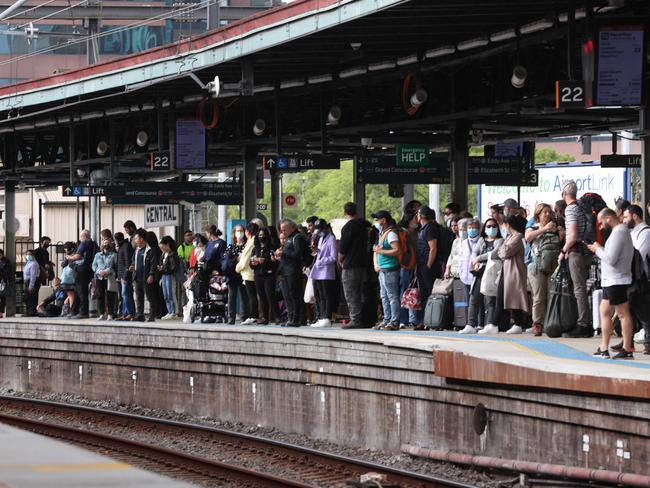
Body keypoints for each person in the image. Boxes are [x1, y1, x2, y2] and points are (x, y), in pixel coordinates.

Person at [587, 208, 635, 359]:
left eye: (601, 223)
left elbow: (611, 258)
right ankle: (604, 347)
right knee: (605, 311)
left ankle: (627, 348)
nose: (600, 227)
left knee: (622, 313)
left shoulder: (619, 231)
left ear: (608, 218)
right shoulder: (619, 231)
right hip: (612, 280)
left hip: (617, 280)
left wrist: (597, 249)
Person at [481, 215, 529, 335]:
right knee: (506, 297)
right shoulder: (510, 237)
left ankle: (496, 324)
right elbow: (500, 251)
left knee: (510, 297)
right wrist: (502, 250)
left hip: (514, 271)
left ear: (509, 224)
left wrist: (502, 251)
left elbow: (504, 252)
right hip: (507, 271)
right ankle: (511, 324)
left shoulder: (517, 237)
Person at [558, 180, 592, 337]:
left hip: (576, 252)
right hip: (585, 252)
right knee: (581, 288)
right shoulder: (581, 207)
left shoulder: (571, 209)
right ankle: (583, 321)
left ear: (564, 194)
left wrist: (563, 250)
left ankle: (583, 324)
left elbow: (573, 236)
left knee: (579, 289)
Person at [459, 219, 503, 334]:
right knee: (474, 298)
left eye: (493, 226)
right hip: (479, 271)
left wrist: (478, 258)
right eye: (488, 226)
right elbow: (474, 252)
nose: (491, 228)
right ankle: (470, 324)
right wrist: (475, 261)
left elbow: (494, 253)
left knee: (490, 299)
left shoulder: (500, 240)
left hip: (491, 271)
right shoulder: (481, 240)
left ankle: (490, 324)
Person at [525, 203, 562, 336]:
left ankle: (550, 322)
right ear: (538, 214)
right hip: (536, 265)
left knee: (551, 294)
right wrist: (544, 229)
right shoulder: (532, 227)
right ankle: (537, 323)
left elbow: (562, 241)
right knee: (539, 296)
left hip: (553, 265)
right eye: (544, 212)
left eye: (549, 212)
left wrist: (560, 232)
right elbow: (528, 237)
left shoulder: (556, 226)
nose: (547, 214)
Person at [621, 205, 650, 355]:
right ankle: (628, 341)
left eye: (626, 217)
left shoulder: (646, 233)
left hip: (643, 279)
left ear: (634, 216)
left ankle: (647, 343)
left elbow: (639, 253)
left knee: (643, 311)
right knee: (631, 309)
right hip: (634, 278)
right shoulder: (632, 233)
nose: (624, 221)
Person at [338, 202, 369, 329]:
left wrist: (340, 259)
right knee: (361, 292)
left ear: (345, 213)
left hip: (350, 264)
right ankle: (364, 318)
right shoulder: (364, 226)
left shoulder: (348, 227)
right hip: (363, 263)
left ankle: (355, 319)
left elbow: (343, 248)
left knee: (351, 293)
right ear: (356, 212)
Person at [372, 210, 401, 330]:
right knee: (384, 296)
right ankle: (387, 319)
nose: (376, 222)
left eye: (377, 219)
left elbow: (397, 250)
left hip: (390, 269)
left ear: (383, 220)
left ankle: (394, 322)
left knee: (392, 296)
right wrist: (376, 263)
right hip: (382, 269)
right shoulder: (382, 233)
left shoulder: (391, 234)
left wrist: (380, 251)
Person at [277, 219, 306, 327]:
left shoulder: (297, 237)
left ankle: (296, 318)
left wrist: (284, 254)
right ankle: (291, 317)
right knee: (288, 295)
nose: (283, 232)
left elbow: (298, 254)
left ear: (292, 228)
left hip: (293, 271)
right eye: (281, 230)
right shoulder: (289, 238)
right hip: (285, 271)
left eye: (285, 230)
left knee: (295, 295)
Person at [309, 219, 338, 328]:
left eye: (321, 229)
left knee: (327, 295)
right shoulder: (321, 238)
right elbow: (321, 252)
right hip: (318, 270)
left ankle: (327, 317)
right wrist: (316, 250)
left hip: (326, 271)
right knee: (320, 295)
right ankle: (322, 317)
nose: (319, 232)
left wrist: (321, 261)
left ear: (326, 228)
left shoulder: (331, 239)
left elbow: (333, 257)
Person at [416, 206, 440, 322]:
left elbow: (433, 248)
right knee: (424, 293)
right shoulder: (423, 228)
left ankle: (431, 319)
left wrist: (428, 266)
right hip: (421, 264)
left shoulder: (429, 228)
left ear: (421, 216)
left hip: (428, 265)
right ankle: (425, 320)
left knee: (429, 292)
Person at [251, 227, 277, 325]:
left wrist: (265, 261)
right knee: (262, 297)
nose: (261, 237)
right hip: (258, 274)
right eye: (260, 235)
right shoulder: (255, 249)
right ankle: (265, 317)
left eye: (263, 235)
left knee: (270, 295)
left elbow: (275, 263)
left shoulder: (271, 247)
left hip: (268, 274)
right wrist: (253, 263)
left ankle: (276, 317)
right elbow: (252, 262)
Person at [223, 225, 248, 325]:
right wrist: (236, 258)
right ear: (234, 233)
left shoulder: (246, 246)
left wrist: (235, 258)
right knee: (231, 296)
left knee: (244, 296)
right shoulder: (230, 246)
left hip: (243, 274)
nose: (239, 233)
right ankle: (231, 318)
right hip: (232, 274)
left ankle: (244, 317)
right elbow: (226, 259)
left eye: (241, 231)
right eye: (237, 231)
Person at [398, 211, 419, 329]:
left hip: (414, 265)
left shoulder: (416, 232)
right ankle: (404, 319)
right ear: (409, 220)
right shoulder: (403, 233)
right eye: (415, 218)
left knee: (412, 291)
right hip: (406, 266)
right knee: (404, 291)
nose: (417, 220)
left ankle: (412, 319)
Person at [68, 229, 95, 319]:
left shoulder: (84, 243)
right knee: (77, 290)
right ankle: (74, 311)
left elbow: (78, 255)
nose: (80, 239)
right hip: (88, 270)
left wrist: (69, 257)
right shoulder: (93, 244)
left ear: (84, 236)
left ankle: (83, 312)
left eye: (80, 237)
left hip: (82, 270)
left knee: (81, 291)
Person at [236, 222, 259, 325]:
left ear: (248, 232)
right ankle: (253, 315)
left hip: (248, 272)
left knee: (251, 295)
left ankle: (253, 315)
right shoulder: (251, 241)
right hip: (247, 272)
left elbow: (245, 258)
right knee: (252, 295)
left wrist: (238, 268)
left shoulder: (251, 241)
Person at [92, 241, 117, 320]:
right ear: (102, 245)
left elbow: (115, 266)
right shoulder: (97, 255)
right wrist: (99, 271)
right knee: (100, 296)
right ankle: (101, 314)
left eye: (107, 243)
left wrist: (107, 271)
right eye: (104, 243)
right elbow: (94, 265)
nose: (106, 245)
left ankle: (110, 314)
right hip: (99, 278)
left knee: (110, 296)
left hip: (109, 277)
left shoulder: (113, 255)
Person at [159, 236, 180, 320]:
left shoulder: (173, 254)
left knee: (171, 293)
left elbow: (173, 267)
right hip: (164, 275)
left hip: (170, 276)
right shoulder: (163, 254)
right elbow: (162, 264)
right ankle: (170, 311)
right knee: (166, 295)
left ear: (167, 245)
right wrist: (160, 268)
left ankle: (174, 312)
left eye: (162, 247)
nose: (162, 249)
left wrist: (163, 268)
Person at [115, 232, 134, 320]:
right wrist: (119, 276)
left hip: (125, 275)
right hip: (121, 275)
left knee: (126, 294)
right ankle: (124, 313)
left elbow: (127, 261)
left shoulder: (125, 246)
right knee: (123, 295)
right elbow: (120, 263)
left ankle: (130, 313)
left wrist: (126, 276)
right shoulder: (122, 247)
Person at [130, 229, 149, 322]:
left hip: (146, 277)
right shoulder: (136, 250)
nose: (135, 240)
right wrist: (132, 266)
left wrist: (151, 274)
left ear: (141, 239)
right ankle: (140, 314)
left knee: (149, 296)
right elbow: (133, 261)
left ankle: (151, 314)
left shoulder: (148, 249)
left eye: (136, 238)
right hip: (137, 277)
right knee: (138, 297)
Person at [144, 232, 162, 321]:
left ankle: (153, 314)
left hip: (153, 276)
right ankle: (156, 313)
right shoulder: (154, 249)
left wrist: (151, 274)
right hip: (153, 276)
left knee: (151, 296)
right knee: (154, 295)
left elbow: (153, 264)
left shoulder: (154, 250)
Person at [23, 250, 41, 316]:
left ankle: (32, 312)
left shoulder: (34, 264)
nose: (28, 256)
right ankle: (29, 311)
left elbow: (33, 275)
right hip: (27, 281)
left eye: (30, 254)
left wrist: (31, 286)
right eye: (27, 254)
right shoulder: (28, 263)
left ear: (33, 255)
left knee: (32, 297)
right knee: (28, 297)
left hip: (32, 282)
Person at [0, 249, 12, 318]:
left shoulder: (6, 261)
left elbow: (8, 271)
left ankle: (1, 312)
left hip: (2, 281)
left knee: (2, 297)